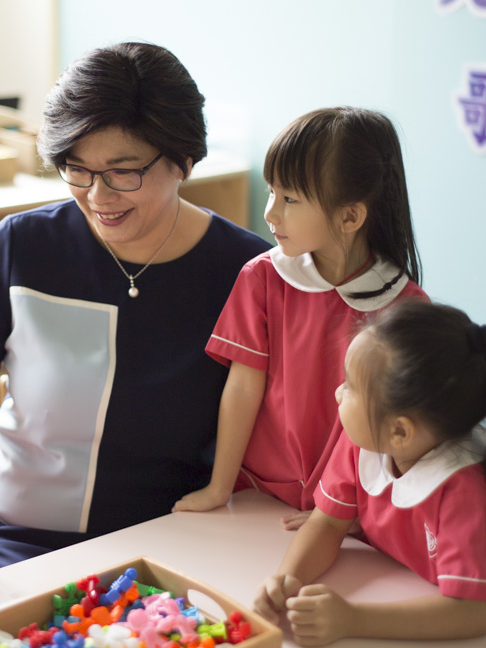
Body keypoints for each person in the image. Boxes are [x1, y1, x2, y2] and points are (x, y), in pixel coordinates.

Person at [0, 41, 269, 568]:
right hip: (7, 533)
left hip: (170, 540)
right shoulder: (22, 246)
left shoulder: (249, 273)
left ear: (183, 159)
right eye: (77, 169)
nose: (97, 195)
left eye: (122, 172)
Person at [254, 299, 486, 648]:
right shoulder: (367, 442)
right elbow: (328, 523)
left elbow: (471, 609)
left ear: (401, 431)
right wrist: (286, 580)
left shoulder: (465, 489)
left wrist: (353, 618)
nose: (338, 393)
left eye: (351, 389)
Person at [173, 107, 426, 522]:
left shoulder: (406, 307)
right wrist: (219, 487)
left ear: (350, 216)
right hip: (256, 493)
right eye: (272, 191)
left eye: (289, 199)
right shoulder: (263, 277)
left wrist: (343, 511)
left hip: (350, 511)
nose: (271, 212)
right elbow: (242, 388)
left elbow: (397, 432)